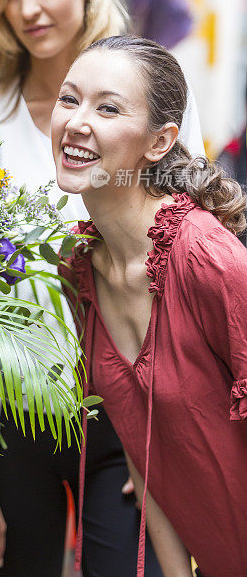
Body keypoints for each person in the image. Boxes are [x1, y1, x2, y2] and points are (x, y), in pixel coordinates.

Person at [0, 0, 205, 577]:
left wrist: (170, 438)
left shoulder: (160, 97)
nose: (27, 8)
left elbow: (181, 270)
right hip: (11, 422)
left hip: (129, 424)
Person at [54, 35, 247, 577]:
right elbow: (144, 458)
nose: (76, 122)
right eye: (70, 99)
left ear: (160, 141)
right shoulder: (82, 268)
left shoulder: (209, 260)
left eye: (108, 107)